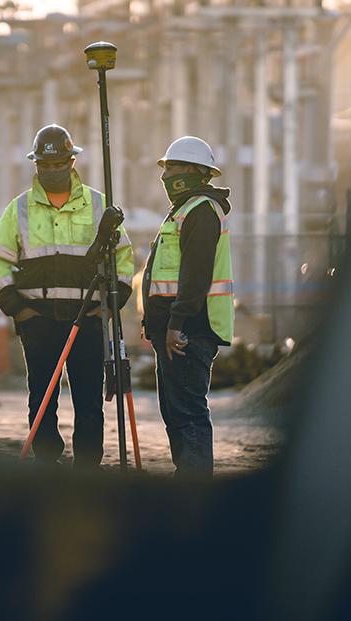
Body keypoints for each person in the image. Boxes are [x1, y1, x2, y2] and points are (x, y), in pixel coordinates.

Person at [0, 124, 134, 468]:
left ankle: (87, 468)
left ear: (71, 161)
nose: (52, 170)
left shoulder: (98, 205)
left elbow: (123, 258)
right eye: (45, 165)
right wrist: (17, 310)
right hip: (38, 321)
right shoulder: (19, 209)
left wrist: (109, 306)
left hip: (88, 320)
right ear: (36, 165)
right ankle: (47, 462)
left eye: (58, 163)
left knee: (88, 399)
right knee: (41, 397)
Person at [141, 136, 235, 478]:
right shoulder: (182, 211)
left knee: (189, 411)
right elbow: (164, 273)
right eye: (165, 167)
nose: (166, 174)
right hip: (174, 328)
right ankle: (187, 477)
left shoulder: (201, 212)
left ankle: (194, 484)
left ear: (195, 172)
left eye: (173, 167)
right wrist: (153, 321)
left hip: (190, 329)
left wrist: (175, 324)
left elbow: (196, 276)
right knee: (174, 411)